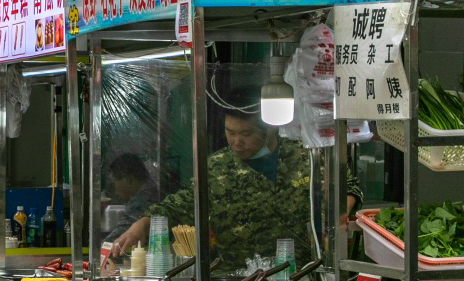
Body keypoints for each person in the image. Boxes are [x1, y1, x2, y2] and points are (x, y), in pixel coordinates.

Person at [112, 98, 361, 271]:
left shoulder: (305, 155)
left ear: (270, 131)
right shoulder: (216, 167)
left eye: (246, 134)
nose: (236, 142)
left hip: (303, 276)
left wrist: (340, 208)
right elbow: (182, 204)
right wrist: (143, 224)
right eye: (230, 132)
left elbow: (348, 184)